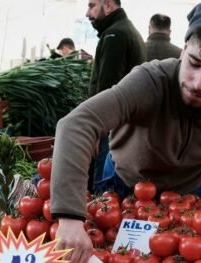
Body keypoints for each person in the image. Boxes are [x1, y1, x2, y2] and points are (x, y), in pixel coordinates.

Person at [51, 0, 201, 263]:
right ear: (184, 49)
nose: (198, 82)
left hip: (191, 196)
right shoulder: (150, 82)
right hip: (125, 184)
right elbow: (77, 124)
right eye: (194, 63)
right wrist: (70, 218)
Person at [85, 0, 146, 193]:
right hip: (123, 124)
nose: (88, 13)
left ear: (109, 5)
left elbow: (107, 88)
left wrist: (96, 129)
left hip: (111, 126)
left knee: (103, 190)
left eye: (92, 5)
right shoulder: (126, 30)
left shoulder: (115, 35)